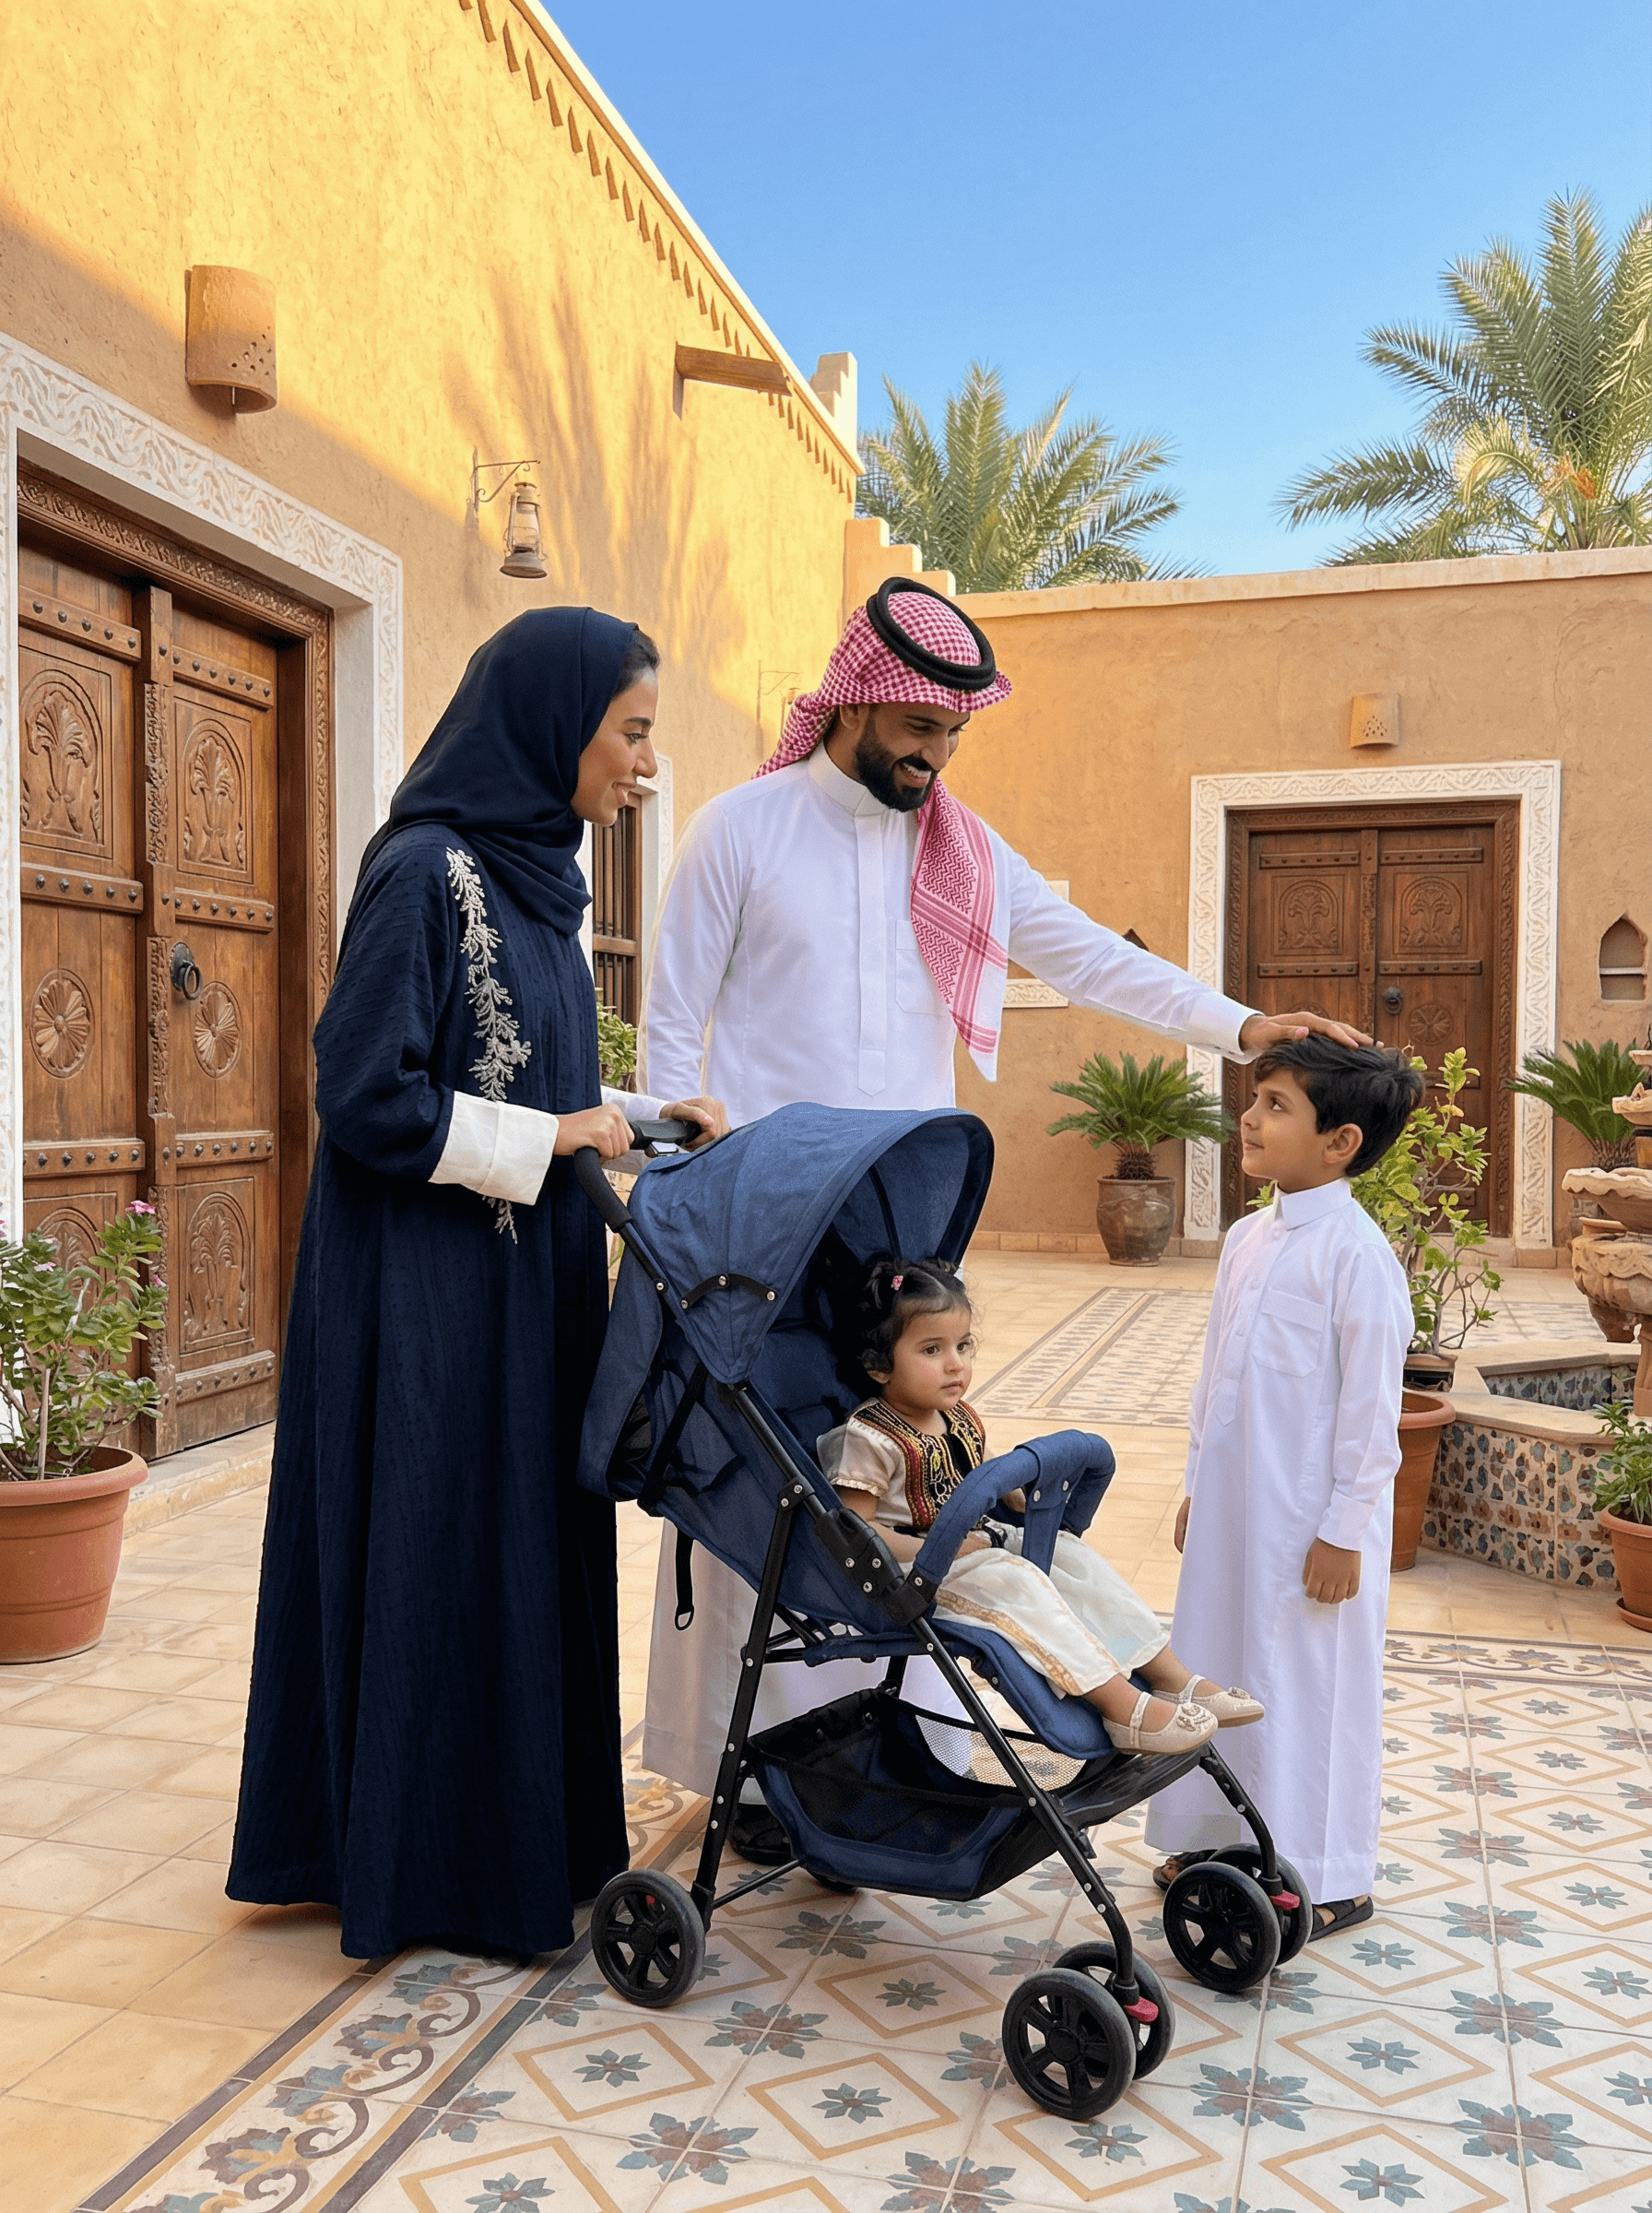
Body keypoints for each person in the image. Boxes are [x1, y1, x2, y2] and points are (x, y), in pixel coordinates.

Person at [637, 576, 1366, 1815]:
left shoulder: (962, 850)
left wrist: (1242, 1025)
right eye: (920, 728)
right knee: (767, 1485)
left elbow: (1088, 956)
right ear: (855, 700)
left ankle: (907, 1751)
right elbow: (670, 1029)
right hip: (762, 1223)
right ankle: (751, 1782)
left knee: (910, 1485)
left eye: (954, 733)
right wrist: (676, 1211)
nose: (937, 756)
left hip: (895, 1227)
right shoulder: (739, 830)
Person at [229, 609, 726, 1959]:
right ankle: (422, 1865)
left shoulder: (539, 880)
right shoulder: (424, 872)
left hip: (526, 1287)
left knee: (513, 1544)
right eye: (631, 733)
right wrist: (556, 1136)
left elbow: (535, 1079)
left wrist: (645, 1113)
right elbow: (365, 1094)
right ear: (550, 725)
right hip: (427, 1299)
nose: (644, 764)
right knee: (435, 1536)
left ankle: (513, 1838)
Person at [1144, 1038, 1424, 1941]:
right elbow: (1214, 1379)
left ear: (1340, 1142)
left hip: (1310, 1526)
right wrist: (1197, 1484)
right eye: (1254, 1099)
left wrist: (1344, 1528)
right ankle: (1216, 1842)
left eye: (1275, 1105)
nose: (1250, 1119)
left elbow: (1372, 1411)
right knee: (1217, 1664)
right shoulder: (1247, 1239)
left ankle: (1327, 1872)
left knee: (1307, 1690)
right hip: (1234, 1511)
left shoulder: (1357, 1257)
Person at [820, 1258, 1265, 1758]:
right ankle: (1121, 1707)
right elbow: (856, 1531)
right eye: (931, 1350)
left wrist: (1017, 1491)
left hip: (979, 1544)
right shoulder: (870, 1438)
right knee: (1021, 1585)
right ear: (879, 1366)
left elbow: (976, 1465)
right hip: (918, 1573)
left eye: (963, 1346)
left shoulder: (954, 1414)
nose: (955, 1364)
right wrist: (942, 1549)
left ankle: (1171, 1678)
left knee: (1071, 1557)